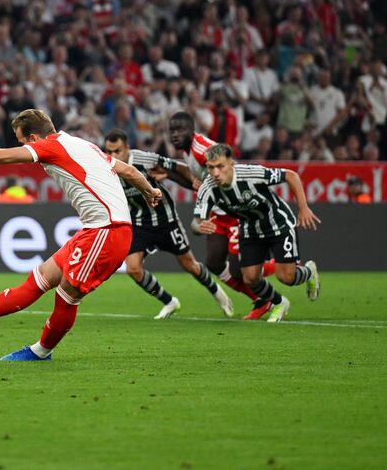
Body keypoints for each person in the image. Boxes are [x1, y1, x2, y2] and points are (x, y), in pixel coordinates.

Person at [0, 109, 162, 361]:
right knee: (40, 279)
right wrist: (150, 191)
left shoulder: (50, 147)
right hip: (94, 230)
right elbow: (131, 172)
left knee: (67, 295)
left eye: (22, 142)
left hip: (107, 232)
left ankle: (41, 352)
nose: (22, 148)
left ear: (34, 139)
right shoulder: (83, 145)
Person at [103, 129, 232, 319]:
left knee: (189, 264)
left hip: (166, 220)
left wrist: (193, 181)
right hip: (139, 222)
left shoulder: (144, 160)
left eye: (117, 151)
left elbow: (177, 166)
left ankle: (218, 293)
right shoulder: (106, 167)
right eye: (109, 151)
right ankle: (170, 302)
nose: (113, 156)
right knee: (133, 269)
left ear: (127, 148)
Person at [193, 144, 321, 322]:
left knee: (286, 277)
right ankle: (279, 302)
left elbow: (291, 175)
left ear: (231, 163)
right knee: (250, 278)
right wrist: (199, 226)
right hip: (250, 229)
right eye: (210, 167)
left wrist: (303, 208)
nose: (215, 173)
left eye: (220, 166)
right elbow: (196, 221)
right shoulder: (207, 188)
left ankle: (308, 271)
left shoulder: (251, 173)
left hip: (278, 224)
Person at [169, 111, 277, 320]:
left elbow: (227, 166)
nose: (175, 134)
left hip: (235, 211)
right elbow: (199, 180)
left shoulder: (201, 149)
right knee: (214, 263)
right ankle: (261, 299)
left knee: (240, 271)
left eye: (180, 130)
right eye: (172, 130)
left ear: (192, 130)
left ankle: (287, 265)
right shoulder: (187, 151)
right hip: (218, 213)